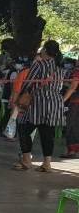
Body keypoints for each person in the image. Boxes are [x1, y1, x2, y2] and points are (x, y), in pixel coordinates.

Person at [15, 40, 64, 172]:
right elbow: (59, 86)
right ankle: (47, 163)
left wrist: (21, 96)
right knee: (47, 133)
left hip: (39, 102)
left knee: (23, 127)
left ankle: (26, 160)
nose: (40, 51)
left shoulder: (39, 64)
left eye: (42, 48)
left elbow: (28, 82)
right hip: (54, 103)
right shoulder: (60, 68)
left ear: (46, 50)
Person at [62, 63, 79, 159]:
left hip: (76, 103)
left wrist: (62, 100)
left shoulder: (77, 72)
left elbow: (73, 87)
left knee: (72, 126)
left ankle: (72, 150)